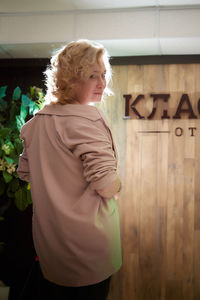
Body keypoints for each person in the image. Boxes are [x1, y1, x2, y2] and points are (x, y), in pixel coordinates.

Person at [17, 39, 122, 300]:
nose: (102, 82)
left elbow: (25, 173)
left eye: (104, 74)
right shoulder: (87, 118)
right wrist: (117, 189)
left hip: (51, 247)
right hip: (88, 250)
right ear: (70, 79)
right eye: (91, 75)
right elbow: (107, 185)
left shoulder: (33, 124)